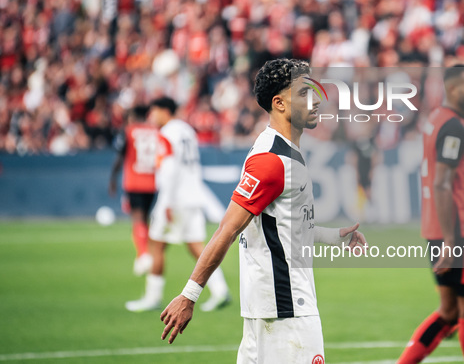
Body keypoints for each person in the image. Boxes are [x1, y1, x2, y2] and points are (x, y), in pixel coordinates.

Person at [158, 59, 367, 363]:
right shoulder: (272, 160)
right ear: (279, 103)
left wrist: (335, 236)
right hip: (288, 314)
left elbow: (282, 227)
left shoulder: (280, 150)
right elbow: (228, 229)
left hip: (265, 310)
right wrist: (189, 295)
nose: (315, 100)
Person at [398, 65, 464, 364]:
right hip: (459, 232)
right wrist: (452, 240)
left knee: (449, 312)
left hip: (439, 228)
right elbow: (442, 183)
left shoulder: (434, 119)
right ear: (454, 89)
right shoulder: (454, 127)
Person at [125, 97, 231, 313]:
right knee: (197, 247)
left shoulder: (166, 133)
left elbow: (170, 168)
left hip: (174, 198)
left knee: (156, 245)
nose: (151, 116)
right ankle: (221, 290)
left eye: (154, 111)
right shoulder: (187, 130)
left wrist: (165, 202)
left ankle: (152, 297)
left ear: (165, 111)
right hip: (193, 195)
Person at [110, 105, 158, 276]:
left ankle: (143, 254)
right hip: (153, 181)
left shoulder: (129, 131)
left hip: (135, 181)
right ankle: (145, 254)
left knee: (137, 217)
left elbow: (119, 156)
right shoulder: (155, 131)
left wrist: (112, 179)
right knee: (145, 218)